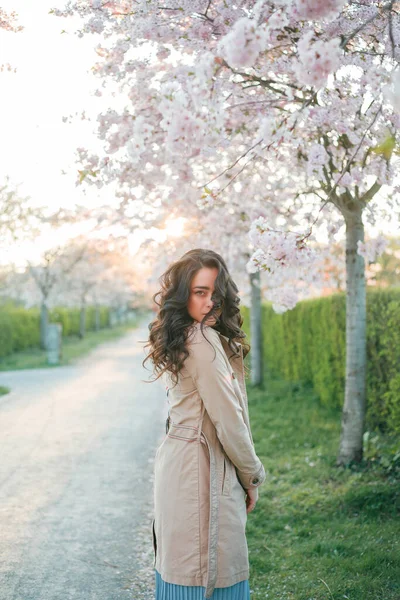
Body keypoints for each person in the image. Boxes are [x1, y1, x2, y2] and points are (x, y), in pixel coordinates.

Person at [143, 248, 266, 600]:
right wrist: (252, 477)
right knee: (206, 574)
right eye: (200, 292)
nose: (211, 302)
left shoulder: (184, 335)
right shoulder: (202, 341)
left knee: (183, 571)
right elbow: (229, 423)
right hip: (200, 472)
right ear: (183, 295)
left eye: (216, 292)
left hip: (179, 469)